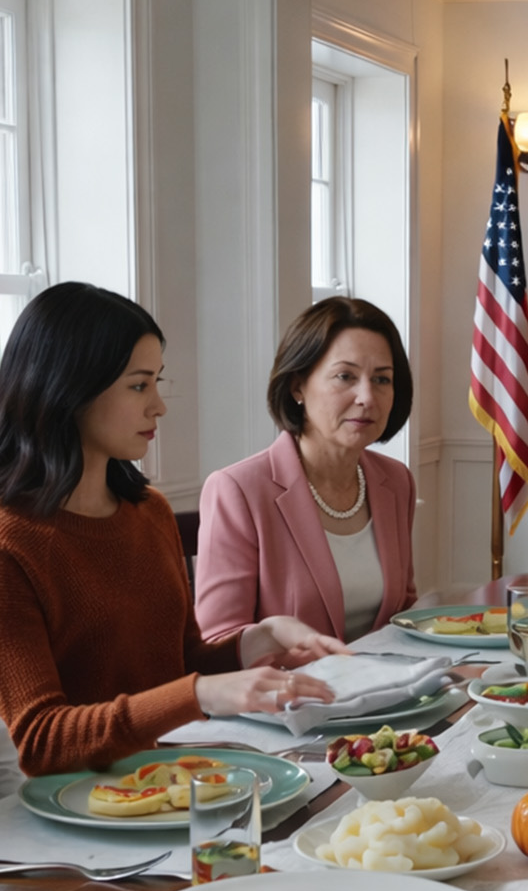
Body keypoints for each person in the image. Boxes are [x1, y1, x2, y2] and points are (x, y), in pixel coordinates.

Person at [0, 282, 344, 780]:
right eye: (139, 385)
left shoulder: (148, 511)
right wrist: (201, 692)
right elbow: (40, 740)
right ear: (69, 390)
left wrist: (258, 639)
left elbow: (178, 665)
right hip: (76, 813)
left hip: (170, 779)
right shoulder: (13, 543)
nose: (159, 405)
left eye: (158, 382)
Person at [196, 297, 417, 643]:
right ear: (298, 385)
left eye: (382, 380)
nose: (367, 397)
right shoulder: (237, 489)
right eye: (345, 376)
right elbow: (218, 642)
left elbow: (403, 610)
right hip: (288, 693)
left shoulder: (397, 481)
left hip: (387, 690)